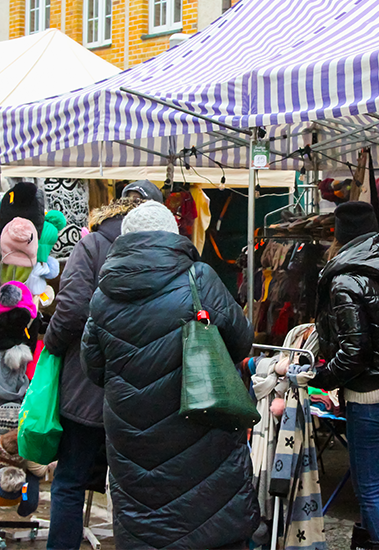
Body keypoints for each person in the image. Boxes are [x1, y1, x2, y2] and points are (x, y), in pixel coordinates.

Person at [81, 201, 258, 550]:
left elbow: (93, 367)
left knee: (147, 528)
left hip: (133, 437)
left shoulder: (104, 295)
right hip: (200, 424)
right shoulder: (199, 278)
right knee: (208, 523)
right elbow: (241, 340)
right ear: (173, 235)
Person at [309, 201, 379, 550]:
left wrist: (317, 379)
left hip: (370, 397)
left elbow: (353, 351)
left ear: (340, 236)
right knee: (369, 485)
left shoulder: (345, 279)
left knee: (369, 490)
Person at [43, 194, 145, 550]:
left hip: (88, 382)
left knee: (70, 479)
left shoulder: (92, 245)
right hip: (142, 388)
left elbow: (70, 311)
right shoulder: (160, 254)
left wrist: (52, 346)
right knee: (132, 486)